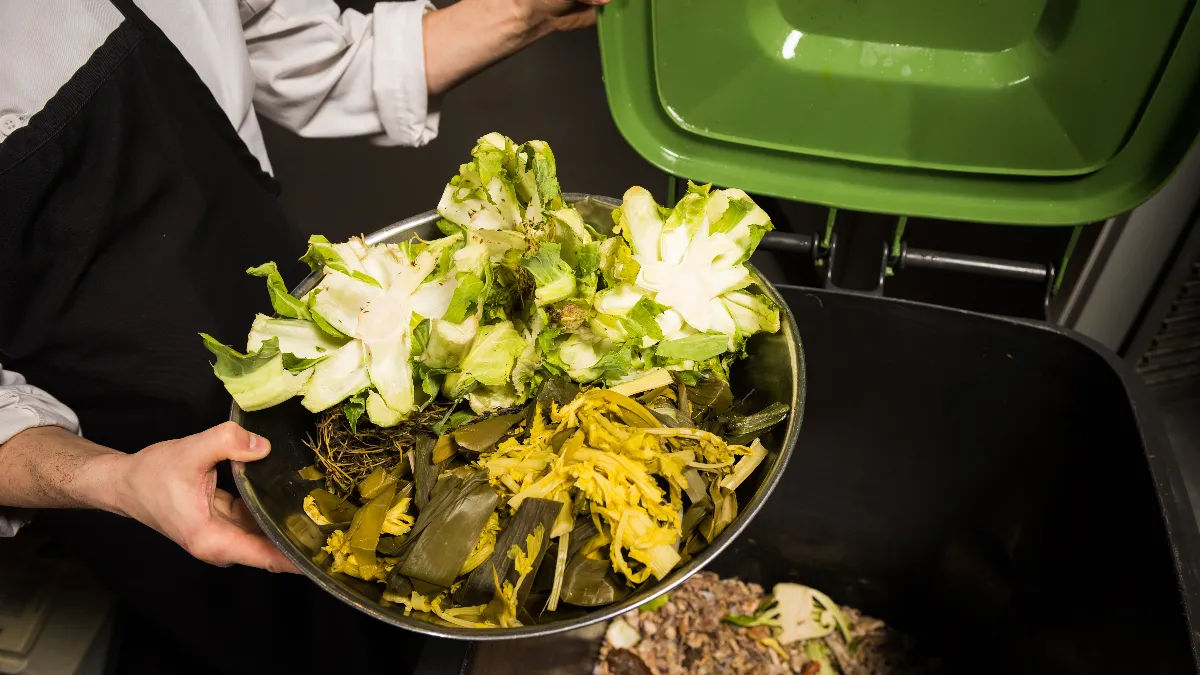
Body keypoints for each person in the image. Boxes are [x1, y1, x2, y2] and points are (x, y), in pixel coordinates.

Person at [0, 0, 605, 672]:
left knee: (422, 587)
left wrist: (526, 13)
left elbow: (324, 59)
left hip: (310, 338)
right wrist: (110, 479)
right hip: (125, 452)